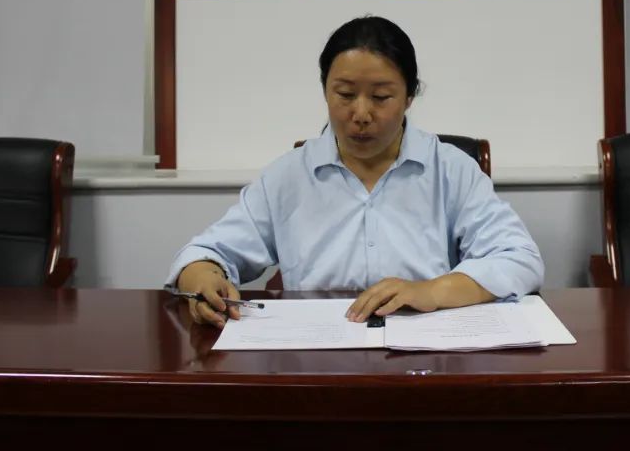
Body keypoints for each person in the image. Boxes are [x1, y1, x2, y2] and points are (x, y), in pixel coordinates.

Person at [165, 16, 544, 327]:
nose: (361, 114)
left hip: (423, 352)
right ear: (325, 90)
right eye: (345, 94)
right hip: (315, 354)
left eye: (381, 97)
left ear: (409, 97)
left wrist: (432, 291)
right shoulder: (288, 176)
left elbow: (519, 258)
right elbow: (207, 252)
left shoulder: (451, 169)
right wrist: (203, 275)